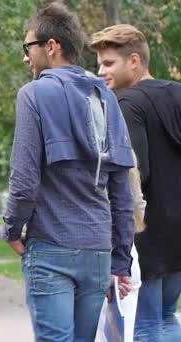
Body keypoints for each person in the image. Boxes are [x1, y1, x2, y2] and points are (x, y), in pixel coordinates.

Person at [2, 3, 135, 341]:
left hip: (51, 246)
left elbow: (24, 180)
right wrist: (119, 260)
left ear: (51, 46)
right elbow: (121, 189)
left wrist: (12, 229)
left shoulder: (33, 94)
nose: (25, 58)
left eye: (27, 47)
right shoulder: (106, 98)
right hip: (97, 252)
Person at [91, 24, 181, 342]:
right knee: (168, 317)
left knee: (144, 325)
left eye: (108, 63)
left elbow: (134, 174)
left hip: (147, 234)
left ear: (134, 61)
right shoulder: (177, 92)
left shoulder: (129, 104)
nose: (101, 71)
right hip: (178, 232)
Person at [96, 153, 144, 342]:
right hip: (127, 256)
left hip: (101, 254)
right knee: (122, 336)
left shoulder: (88, 153)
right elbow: (138, 204)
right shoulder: (125, 151)